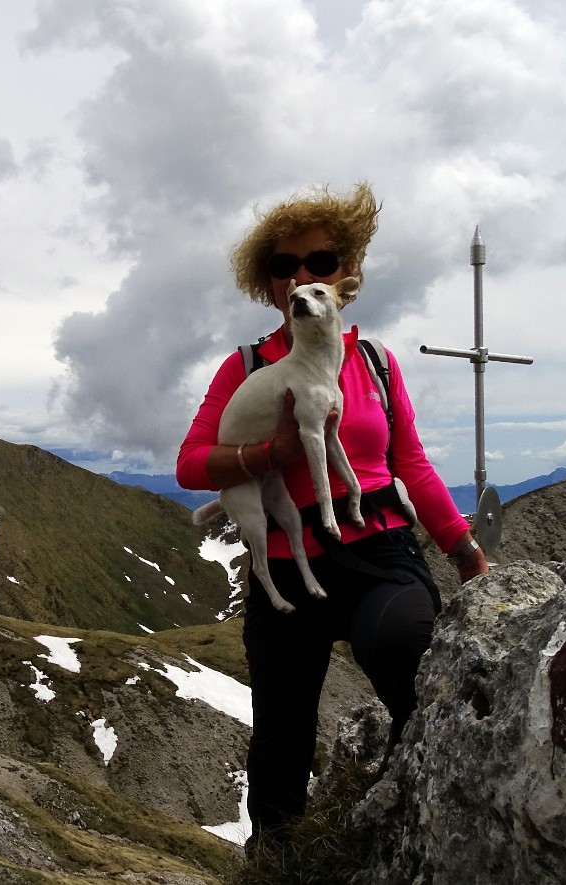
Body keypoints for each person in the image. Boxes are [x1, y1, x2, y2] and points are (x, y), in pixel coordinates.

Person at [175, 182, 488, 842]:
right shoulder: (249, 366)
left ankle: (415, 828)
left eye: (319, 261)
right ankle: (279, 862)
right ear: (269, 288)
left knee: (405, 646)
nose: (301, 276)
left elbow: (413, 464)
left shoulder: (375, 363)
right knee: (281, 745)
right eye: (284, 267)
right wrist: (271, 452)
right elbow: (192, 462)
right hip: (287, 569)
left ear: (346, 275)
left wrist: (463, 549)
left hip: (379, 551)